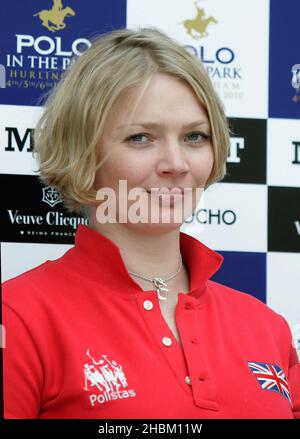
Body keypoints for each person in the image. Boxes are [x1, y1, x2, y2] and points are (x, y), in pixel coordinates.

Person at [2, 27, 300, 419]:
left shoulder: (266, 326)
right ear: (83, 151)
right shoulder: (18, 316)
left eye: (195, 136)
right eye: (141, 138)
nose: (176, 164)